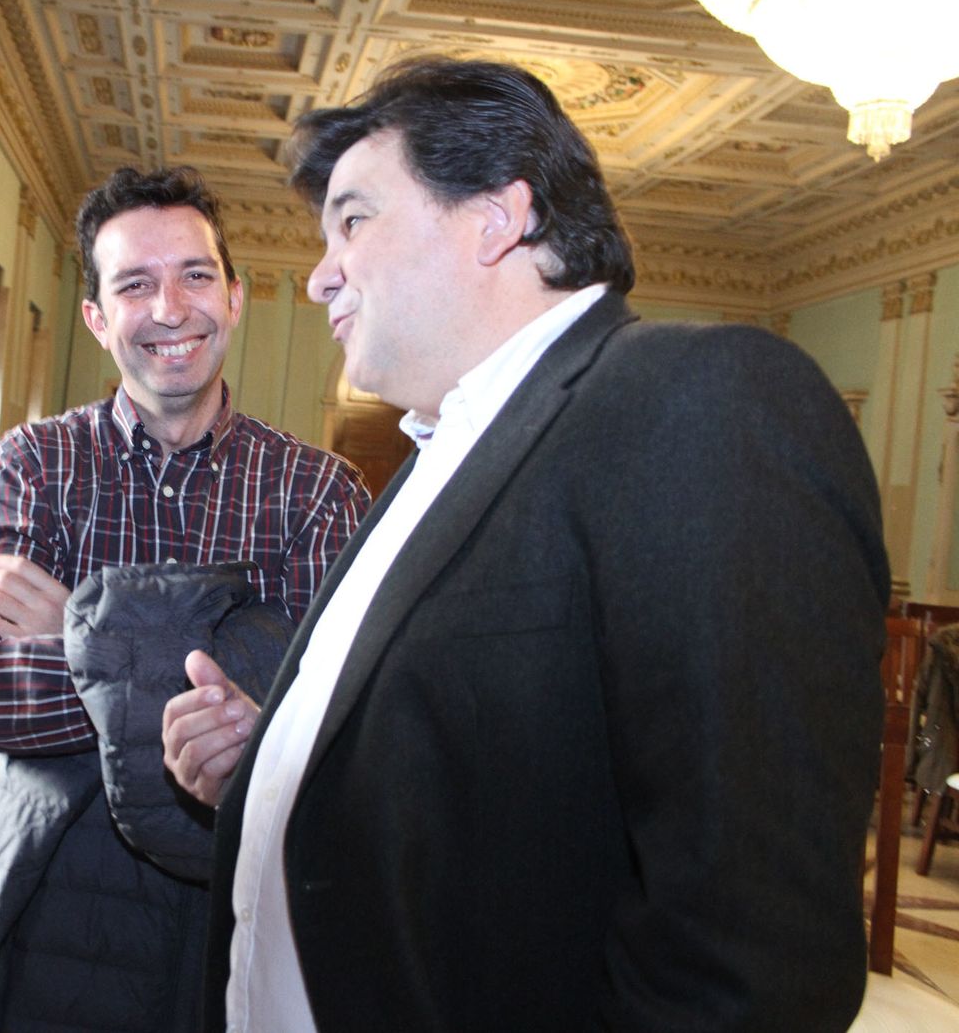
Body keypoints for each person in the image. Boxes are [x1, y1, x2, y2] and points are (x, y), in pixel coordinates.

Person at [162, 57, 889, 1032]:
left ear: (495, 219)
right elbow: (509, 771)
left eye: (354, 220)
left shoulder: (697, 402)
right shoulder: (434, 457)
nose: (319, 271)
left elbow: (749, 965)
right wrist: (281, 760)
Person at [0, 166, 368, 1031]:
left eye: (196, 275)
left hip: (220, 903)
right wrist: (213, 666)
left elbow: (307, 714)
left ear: (237, 297)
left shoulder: (318, 490)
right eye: (135, 284)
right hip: (35, 885)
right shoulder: (31, 463)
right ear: (98, 318)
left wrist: (73, 625)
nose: (171, 308)